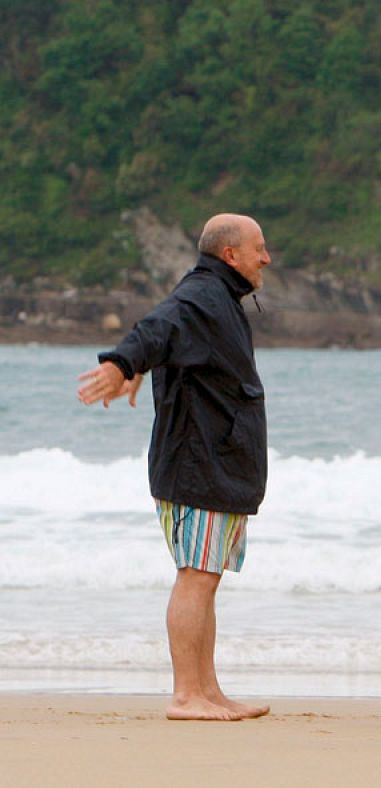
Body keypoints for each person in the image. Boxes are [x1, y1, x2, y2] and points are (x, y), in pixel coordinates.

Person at [75, 213, 273, 722]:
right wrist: (123, 363)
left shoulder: (219, 300)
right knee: (195, 577)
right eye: (259, 248)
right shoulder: (203, 296)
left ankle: (208, 690)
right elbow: (158, 327)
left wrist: (146, 366)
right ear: (231, 254)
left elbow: (173, 345)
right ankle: (187, 695)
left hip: (218, 464)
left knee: (206, 577)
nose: (266, 258)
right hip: (196, 465)